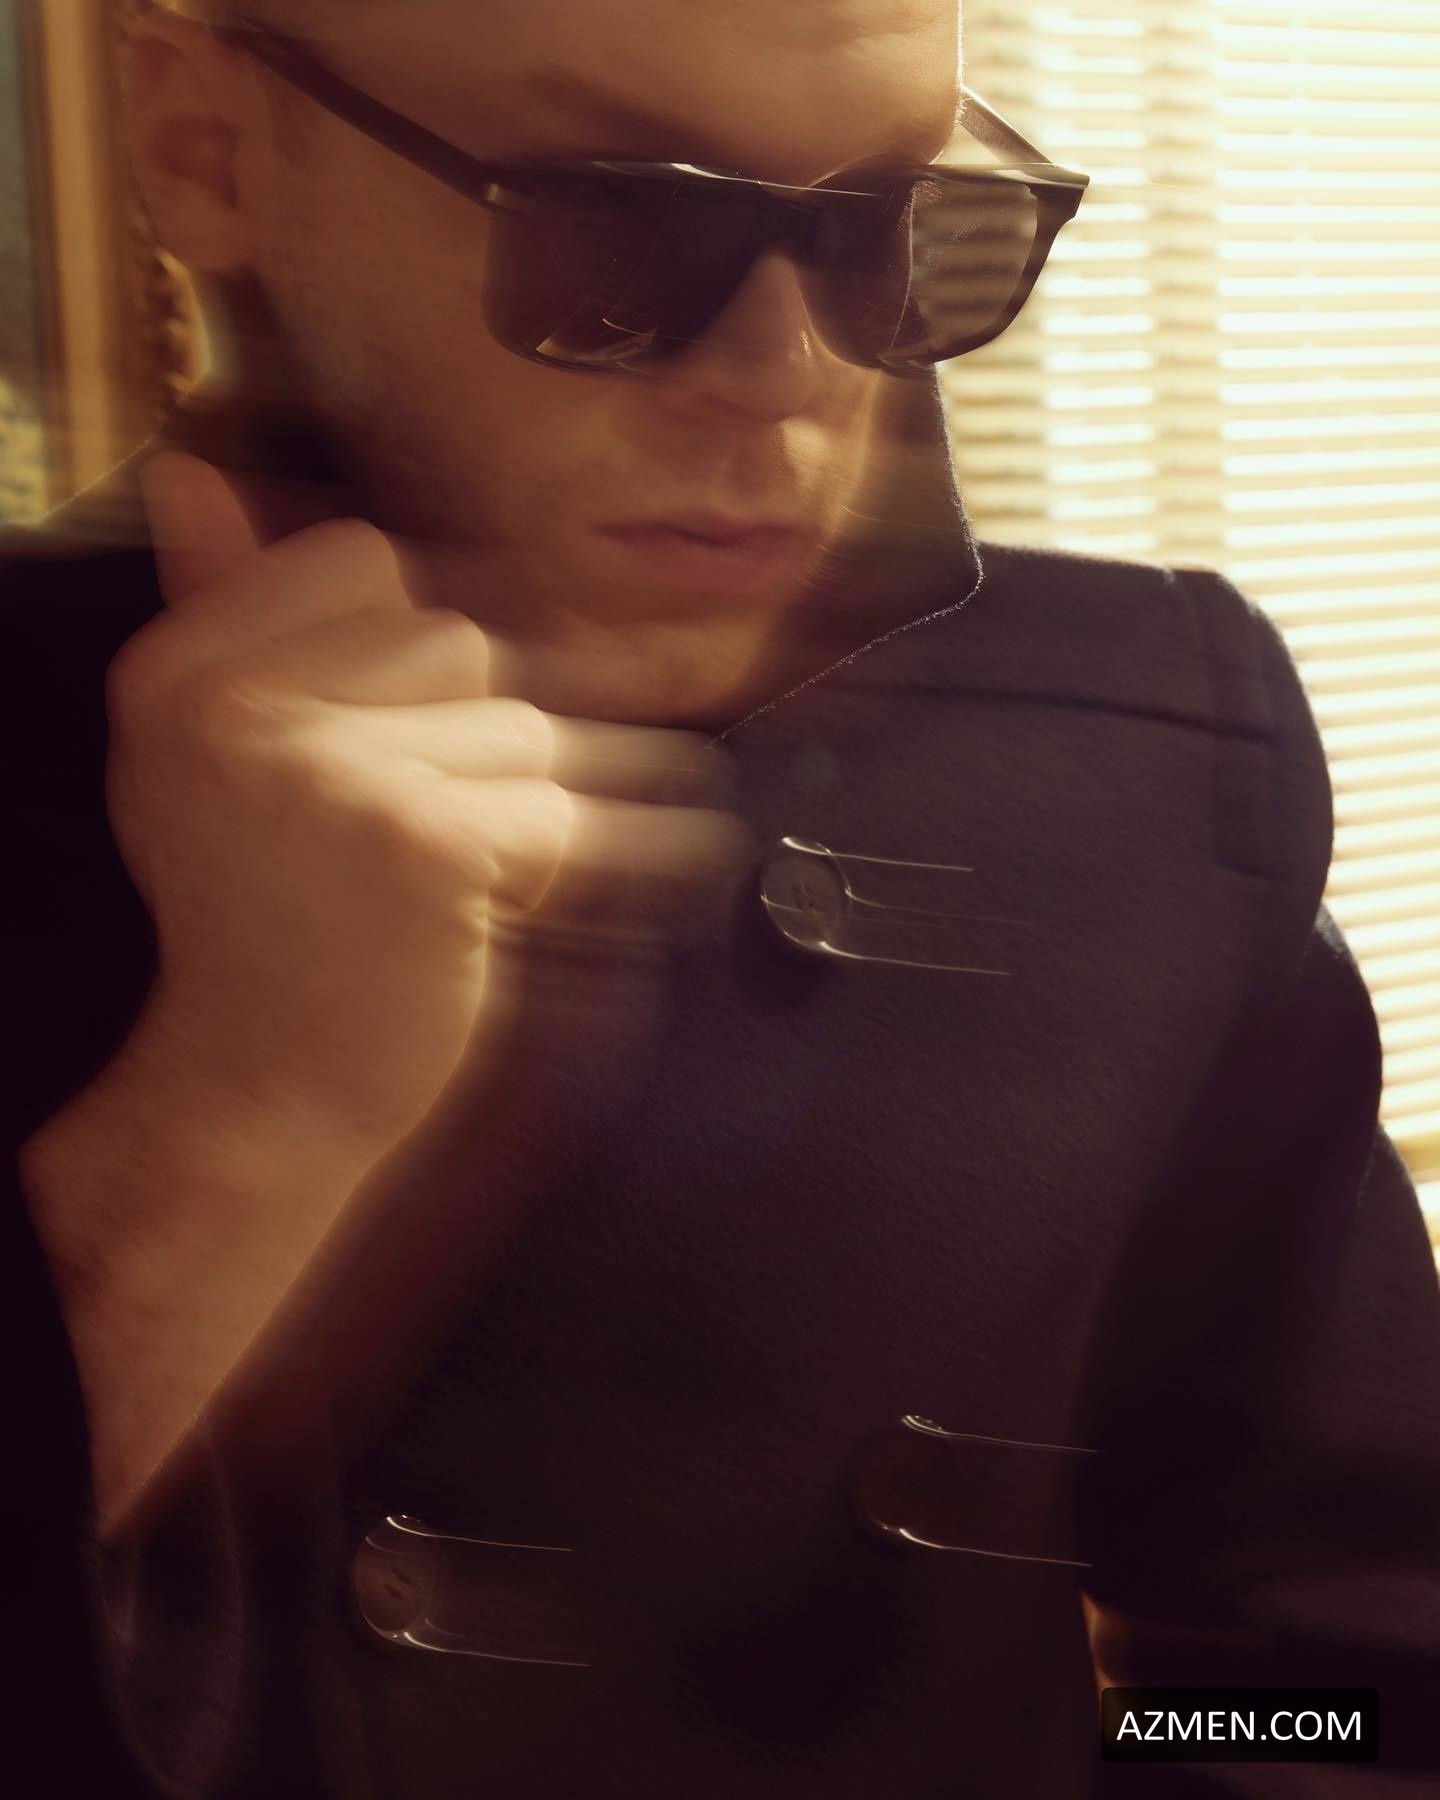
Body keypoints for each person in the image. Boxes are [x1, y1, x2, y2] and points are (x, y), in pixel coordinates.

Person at [3, 0, 1437, 1794]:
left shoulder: (1143, 758)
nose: (790, 371)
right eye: (619, 214)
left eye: (885, 225)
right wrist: (238, 1121)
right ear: (208, 147)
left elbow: (1350, 1683)